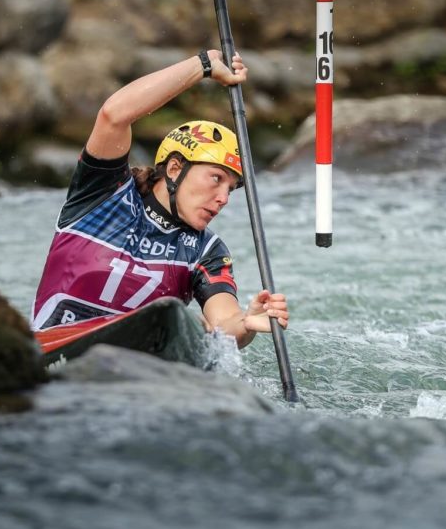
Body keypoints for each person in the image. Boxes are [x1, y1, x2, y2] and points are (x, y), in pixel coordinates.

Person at [31, 50, 288, 349]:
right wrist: (203, 65)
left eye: (230, 189)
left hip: (141, 375)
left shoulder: (206, 250)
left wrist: (246, 321)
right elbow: (113, 115)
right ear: (175, 168)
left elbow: (223, 323)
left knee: (194, 327)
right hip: (56, 356)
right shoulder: (102, 194)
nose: (223, 199)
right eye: (216, 179)